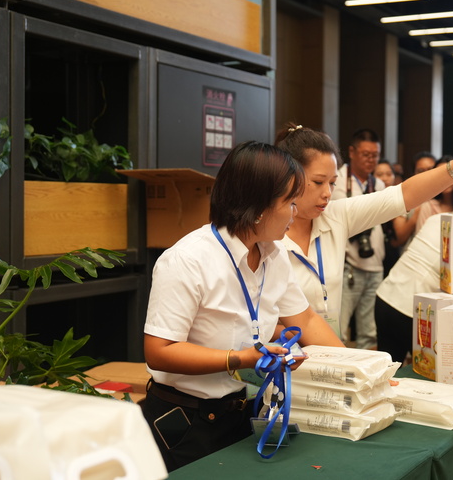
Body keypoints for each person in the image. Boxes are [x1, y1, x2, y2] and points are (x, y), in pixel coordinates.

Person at [141, 141, 344, 471]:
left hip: (239, 413)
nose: (295, 213)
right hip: (185, 420)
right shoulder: (187, 260)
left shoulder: (273, 256)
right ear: (260, 206)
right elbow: (159, 350)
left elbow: (305, 319)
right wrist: (241, 358)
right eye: (290, 203)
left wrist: (360, 367)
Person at [274, 123, 453, 349]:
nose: (327, 193)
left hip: (327, 352)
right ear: (288, 175)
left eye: (333, 183)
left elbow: (402, 195)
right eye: (317, 182)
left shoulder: (335, 216)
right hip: (277, 359)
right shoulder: (267, 236)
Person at [375, 213, 443, 363]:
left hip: (385, 296)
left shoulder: (435, 218)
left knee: (388, 372)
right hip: (410, 310)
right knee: (426, 371)